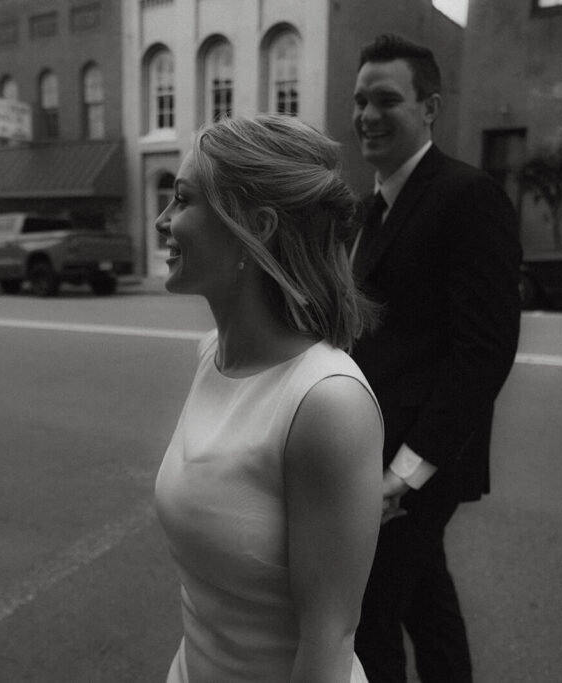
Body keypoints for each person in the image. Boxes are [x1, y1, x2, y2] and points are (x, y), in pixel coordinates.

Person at [153, 114, 384, 683]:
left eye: (182, 201)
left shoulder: (327, 402)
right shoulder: (210, 353)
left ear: (251, 227)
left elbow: (328, 640)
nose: (162, 221)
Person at [349, 34, 522, 683]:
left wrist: (407, 471)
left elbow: (484, 350)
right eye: (361, 99)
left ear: (430, 107)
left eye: (386, 99)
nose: (367, 114)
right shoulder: (370, 208)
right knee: (425, 599)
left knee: (370, 617)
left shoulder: (466, 195)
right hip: (375, 450)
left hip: (417, 463)